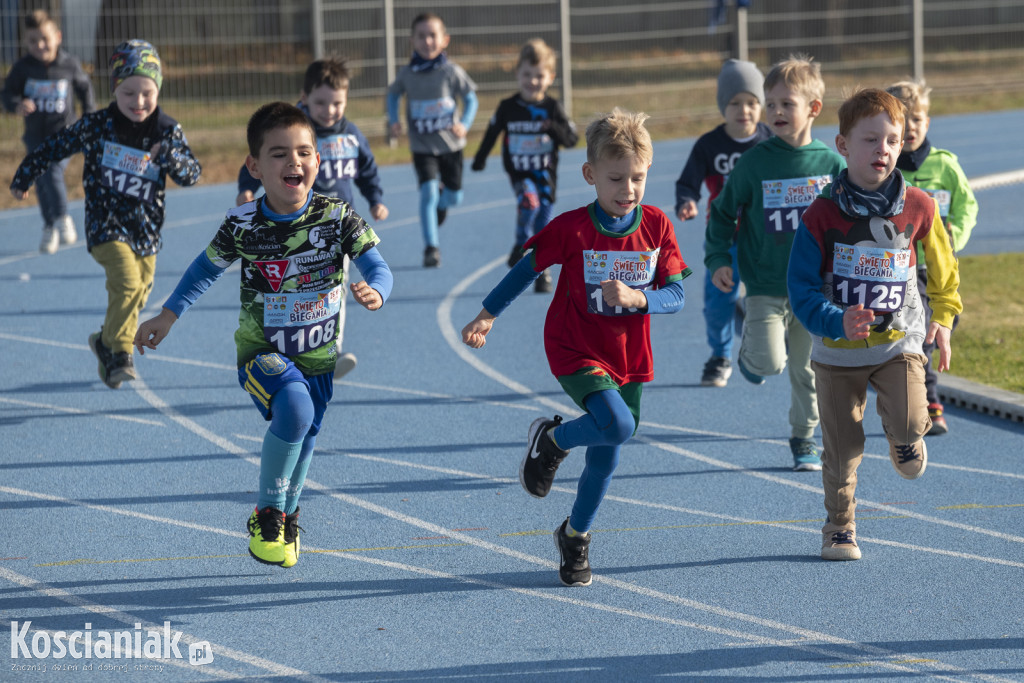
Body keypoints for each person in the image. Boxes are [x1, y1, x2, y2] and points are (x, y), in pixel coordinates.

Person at [134, 102, 394, 568]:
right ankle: (267, 513)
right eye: (278, 154)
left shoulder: (338, 217)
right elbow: (203, 270)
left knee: (307, 433)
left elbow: (377, 265)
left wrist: (375, 289)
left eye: (303, 152)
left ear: (318, 161)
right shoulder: (243, 223)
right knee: (294, 409)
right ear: (254, 166)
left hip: (318, 358)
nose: (293, 162)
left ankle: (289, 514)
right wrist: (167, 315)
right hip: (262, 353)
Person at [462, 109, 691, 587]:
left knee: (609, 450)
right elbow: (525, 270)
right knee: (619, 424)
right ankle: (552, 439)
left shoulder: (657, 226)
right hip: (574, 346)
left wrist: (638, 297)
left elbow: (678, 294)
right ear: (590, 175)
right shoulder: (570, 229)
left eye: (638, 178)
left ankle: (575, 535)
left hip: (630, 355)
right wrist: (487, 313)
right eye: (615, 178)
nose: (627, 188)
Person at [787, 88, 962, 561]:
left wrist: (943, 318)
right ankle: (839, 528)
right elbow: (800, 289)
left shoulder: (919, 206)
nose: (882, 150)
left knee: (909, 421)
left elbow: (943, 270)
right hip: (836, 354)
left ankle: (905, 440)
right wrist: (836, 320)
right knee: (842, 452)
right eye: (870, 140)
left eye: (892, 140)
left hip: (896, 345)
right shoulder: (821, 214)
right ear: (843, 146)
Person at [10, 39, 201, 389]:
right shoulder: (97, 125)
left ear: (158, 89)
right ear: (114, 90)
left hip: (146, 229)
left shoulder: (167, 131)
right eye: (129, 93)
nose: (138, 102)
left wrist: (169, 157)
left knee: (141, 289)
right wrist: (25, 175)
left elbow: (192, 174)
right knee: (127, 283)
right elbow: (53, 146)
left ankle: (104, 342)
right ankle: (120, 352)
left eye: (147, 93)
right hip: (105, 225)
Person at [704, 54, 845, 471]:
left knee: (807, 370)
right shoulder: (755, 162)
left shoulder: (831, 165)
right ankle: (750, 357)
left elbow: (851, 219)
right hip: (765, 284)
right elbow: (723, 212)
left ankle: (804, 439)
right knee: (771, 363)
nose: (777, 111)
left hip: (813, 291)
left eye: (788, 103)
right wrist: (716, 259)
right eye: (772, 103)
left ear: (813, 109)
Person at [236, 57, 389, 380]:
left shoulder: (352, 135)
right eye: (320, 102)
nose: (329, 110)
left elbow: (368, 169)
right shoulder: (294, 134)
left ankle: (328, 351)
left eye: (337, 103)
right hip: (293, 229)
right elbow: (261, 156)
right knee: (288, 292)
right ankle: (279, 351)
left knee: (336, 292)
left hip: (337, 231)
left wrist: (375, 199)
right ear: (303, 97)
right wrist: (247, 189)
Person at [885, 80, 978, 437]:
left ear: (929, 121)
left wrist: (957, 235)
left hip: (938, 266)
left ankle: (915, 391)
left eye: (918, 119)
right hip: (901, 270)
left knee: (940, 325)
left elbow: (967, 205)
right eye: (903, 121)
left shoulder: (945, 166)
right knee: (919, 333)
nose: (911, 129)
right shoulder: (885, 171)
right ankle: (930, 401)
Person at [674, 59, 770, 387]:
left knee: (767, 297)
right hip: (724, 239)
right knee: (719, 302)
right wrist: (687, 200)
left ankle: (761, 350)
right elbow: (687, 182)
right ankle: (720, 355)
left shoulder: (771, 142)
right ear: (722, 105)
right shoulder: (709, 146)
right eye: (735, 102)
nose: (744, 110)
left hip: (764, 239)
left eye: (752, 103)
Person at [471, 38, 578, 293]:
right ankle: (520, 243)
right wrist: (480, 157)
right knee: (529, 202)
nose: (532, 81)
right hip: (520, 173)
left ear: (550, 77)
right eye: (527, 74)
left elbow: (572, 138)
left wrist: (552, 128)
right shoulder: (508, 107)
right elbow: (492, 132)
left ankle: (541, 272)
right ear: (517, 73)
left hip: (546, 175)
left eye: (539, 75)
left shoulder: (552, 108)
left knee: (544, 224)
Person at [387, 12, 478, 268]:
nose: (427, 41)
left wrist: (464, 124)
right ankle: (431, 248)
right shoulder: (407, 74)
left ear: (444, 40)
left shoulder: (451, 72)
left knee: (454, 197)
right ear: (412, 40)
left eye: (432, 35)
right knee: (427, 192)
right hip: (422, 147)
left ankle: (442, 200)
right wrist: (394, 120)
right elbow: (393, 95)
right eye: (421, 36)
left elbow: (471, 98)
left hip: (451, 146)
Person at [2, 9, 95, 254]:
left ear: (58, 37)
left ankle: (63, 218)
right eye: (33, 41)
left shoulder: (69, 64)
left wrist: (89, 116)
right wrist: (16, 104)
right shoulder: (23, 68)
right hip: (35, 136)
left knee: (51, 168)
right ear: (26, 42)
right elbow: (7, 93)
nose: (40, 45)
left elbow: (85, 88)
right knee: (41, 179)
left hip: (65, 134)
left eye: (45, 39)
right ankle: (49, 225)